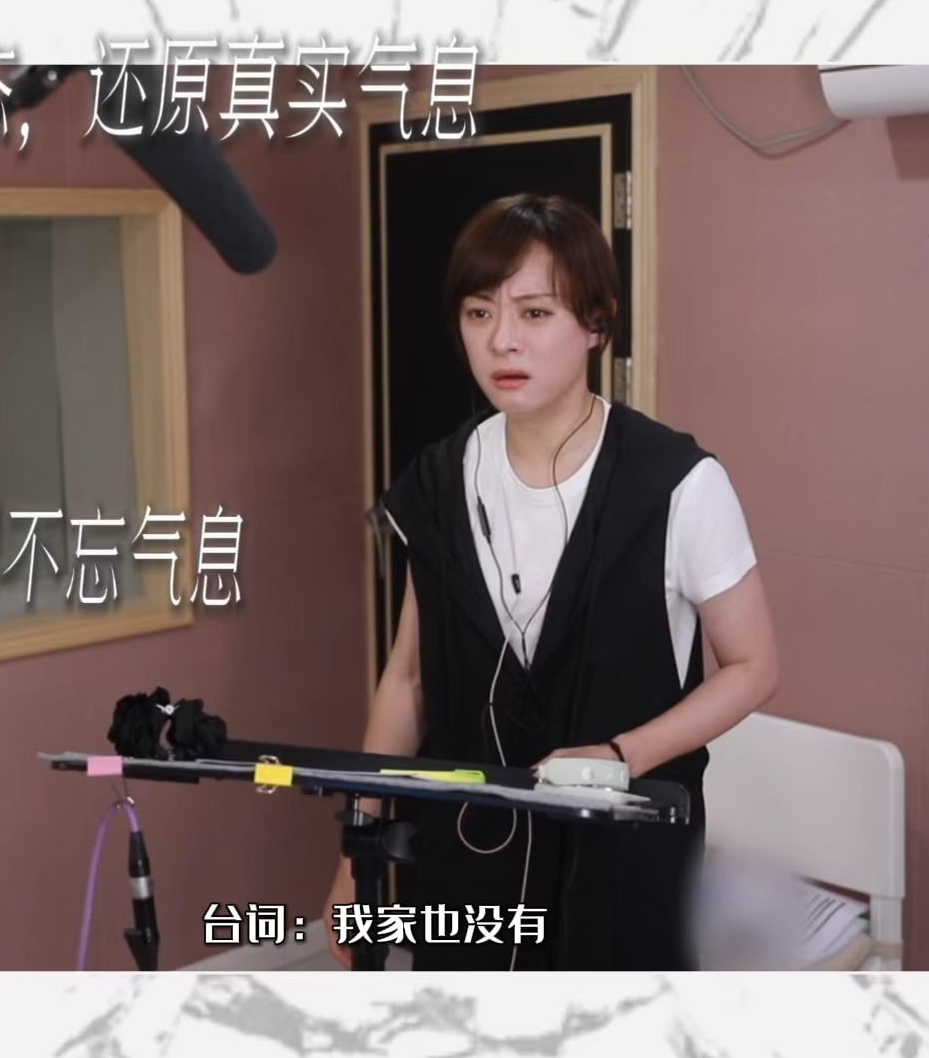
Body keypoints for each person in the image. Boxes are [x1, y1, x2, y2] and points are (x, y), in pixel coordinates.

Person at [324, 193, 781, 970]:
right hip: (467, 859)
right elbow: (408, 681)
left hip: (621, 865)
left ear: (597, 323)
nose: (502, 339)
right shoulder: (439, 479)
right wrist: (354, 856)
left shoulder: (677, 483)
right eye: (479, 313)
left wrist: (619, 753)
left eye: (534, 313)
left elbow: (754, 666)